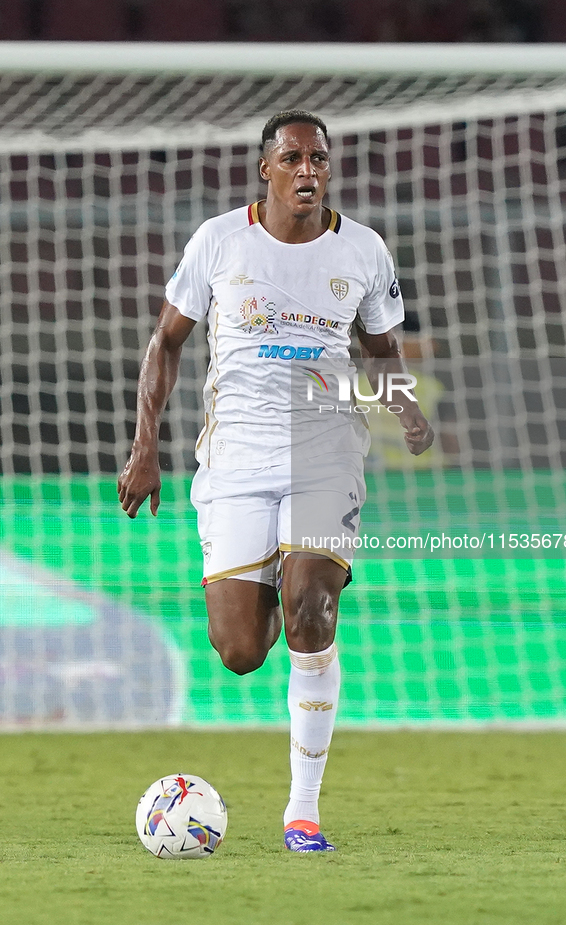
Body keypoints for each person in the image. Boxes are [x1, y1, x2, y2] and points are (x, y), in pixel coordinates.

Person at [117, 109, 433, 852]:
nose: (307, 170)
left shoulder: (362, 249)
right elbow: (165, 343)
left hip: (326, 446)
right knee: (239, 651)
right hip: (234, 459)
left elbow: (380, 351)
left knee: (310, 608)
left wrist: (407, 410)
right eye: (292, 157)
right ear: (267, 169)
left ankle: (302, 813)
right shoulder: (219, 241)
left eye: (318, 158)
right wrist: (145, 444)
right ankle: (276, 618)